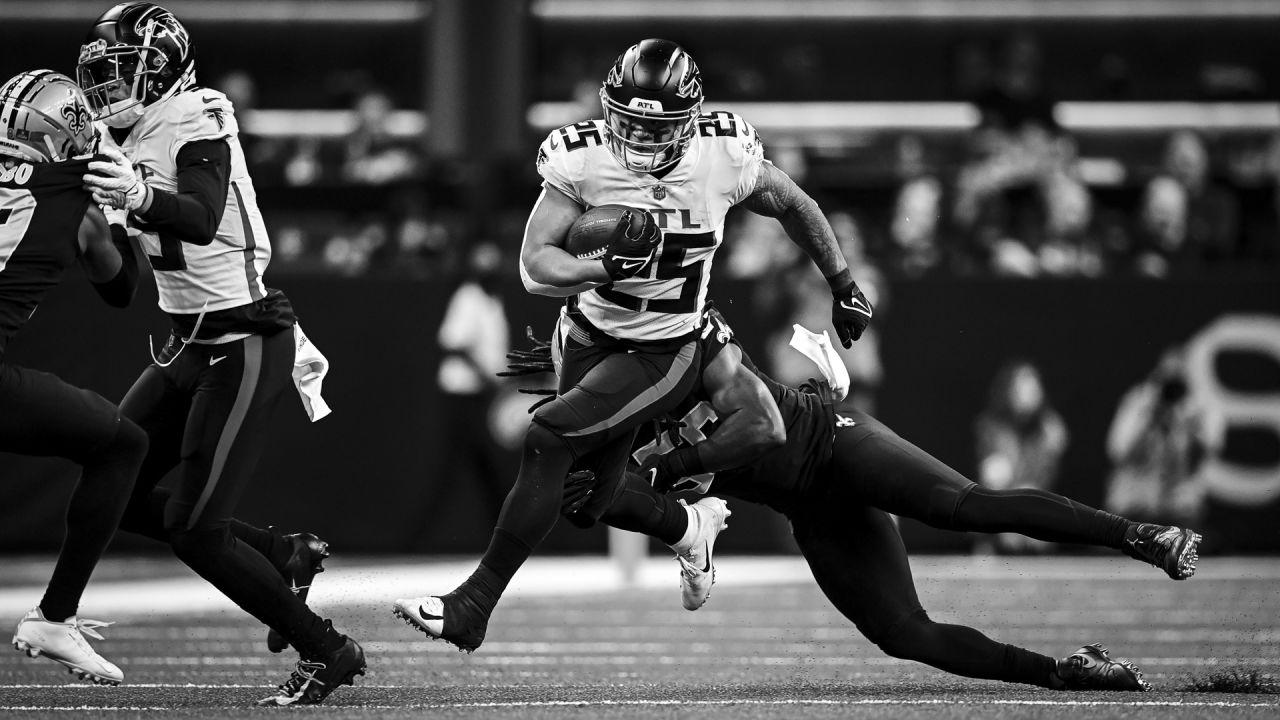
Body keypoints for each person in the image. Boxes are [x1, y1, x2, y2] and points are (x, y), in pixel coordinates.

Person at [391, 38, 874, 651]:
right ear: (609, 109)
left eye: (660, 127)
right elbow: (535, 263)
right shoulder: (584, 157)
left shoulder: (722, 155)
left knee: (548, 437)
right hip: (590, 334)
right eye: (631, 124)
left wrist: (843, 281)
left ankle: (473, 606)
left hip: (665, 346)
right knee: (587, 496)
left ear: (690, 119)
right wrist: (603, 269)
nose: (642, 141)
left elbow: (791, 202)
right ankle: (689, 527)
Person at [555, 305, 1199, 691]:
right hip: (808, 505)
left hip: (831, 441)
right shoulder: (616, 427)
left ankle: (1142, 537)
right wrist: (667, 517)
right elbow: (601, 498)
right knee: (902, 633)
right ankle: (1066, 671)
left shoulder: (683, 345)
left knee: (963, 506)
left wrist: (676, 466)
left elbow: (763, 428)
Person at [75, 3, 362, 705]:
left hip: (245, 340)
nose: (108, 87)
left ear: (161, 66)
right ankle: (284, 553)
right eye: (102, 73)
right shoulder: (124, 138)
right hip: (187, 342)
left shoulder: (197, 116)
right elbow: (123, 290)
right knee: (116, 484)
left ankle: (328, 650)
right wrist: (94, 241)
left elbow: (200, 218)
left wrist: (138, 195)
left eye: (120, 69)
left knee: (195, 533)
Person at [1, 70, 147, 687]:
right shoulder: (78, 198)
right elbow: (121, 287)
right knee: (124, 444)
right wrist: (122, 208)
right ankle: (56, 614)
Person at [974, 359, 1069, 554]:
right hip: (999, 517)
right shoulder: (990, 427)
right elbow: (992, 479)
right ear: (1009, 390)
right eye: (1023, 388)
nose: (1031, 394)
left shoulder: (1051, 429)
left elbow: (1047, 479)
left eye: (1035, 387)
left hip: (1037, 518)